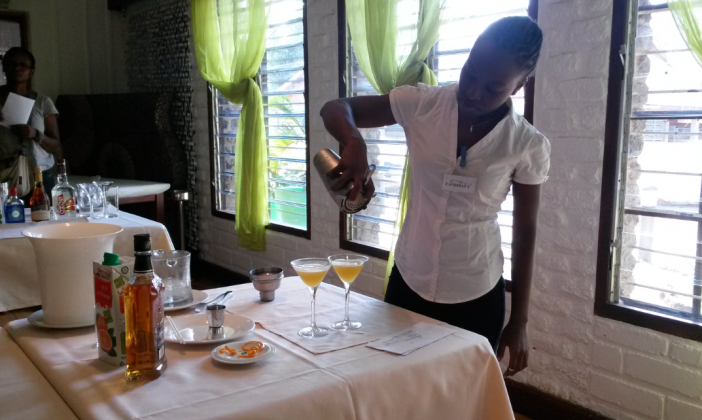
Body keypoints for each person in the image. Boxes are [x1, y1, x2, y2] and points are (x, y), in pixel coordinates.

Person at [320, 16, 549, 377]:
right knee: (395, 387)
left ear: (519, 86)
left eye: (493, 88)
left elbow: (525, 232)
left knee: (463, 396)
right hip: (409, 280)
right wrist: (353, 141)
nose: (474, 92)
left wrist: (519, 321)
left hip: (476, 293)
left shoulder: (527, 144)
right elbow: (335, 108)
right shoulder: (423, 103)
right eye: (471, 73)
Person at [0, 46, 61, 194]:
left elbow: (56, 144)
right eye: (12, 64)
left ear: (31, 71)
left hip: (40, 175)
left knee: (43, 210)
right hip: (4, 174)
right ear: (4, 67)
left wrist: (35, 134)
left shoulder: (42, 102)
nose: (17, 68)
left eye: (23, 65)